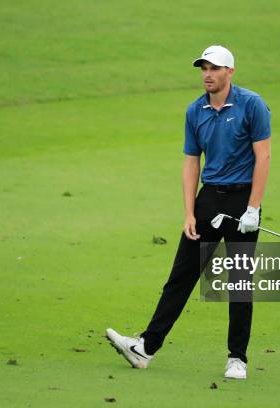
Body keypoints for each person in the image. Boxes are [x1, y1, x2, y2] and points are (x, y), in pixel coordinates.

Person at [106, 45, 271, 379]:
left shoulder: (252, 104)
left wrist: (253, 207)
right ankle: (145, 349)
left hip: (242, 202)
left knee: (239, 283)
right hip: (208, 200)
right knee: (181, 277)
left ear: (230, 72)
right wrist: (189, 212)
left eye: (214, 68)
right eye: (203, 68)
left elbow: (263, 157)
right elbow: (191, 161)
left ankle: (237, 358)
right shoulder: (195, 111)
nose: (207, 74)